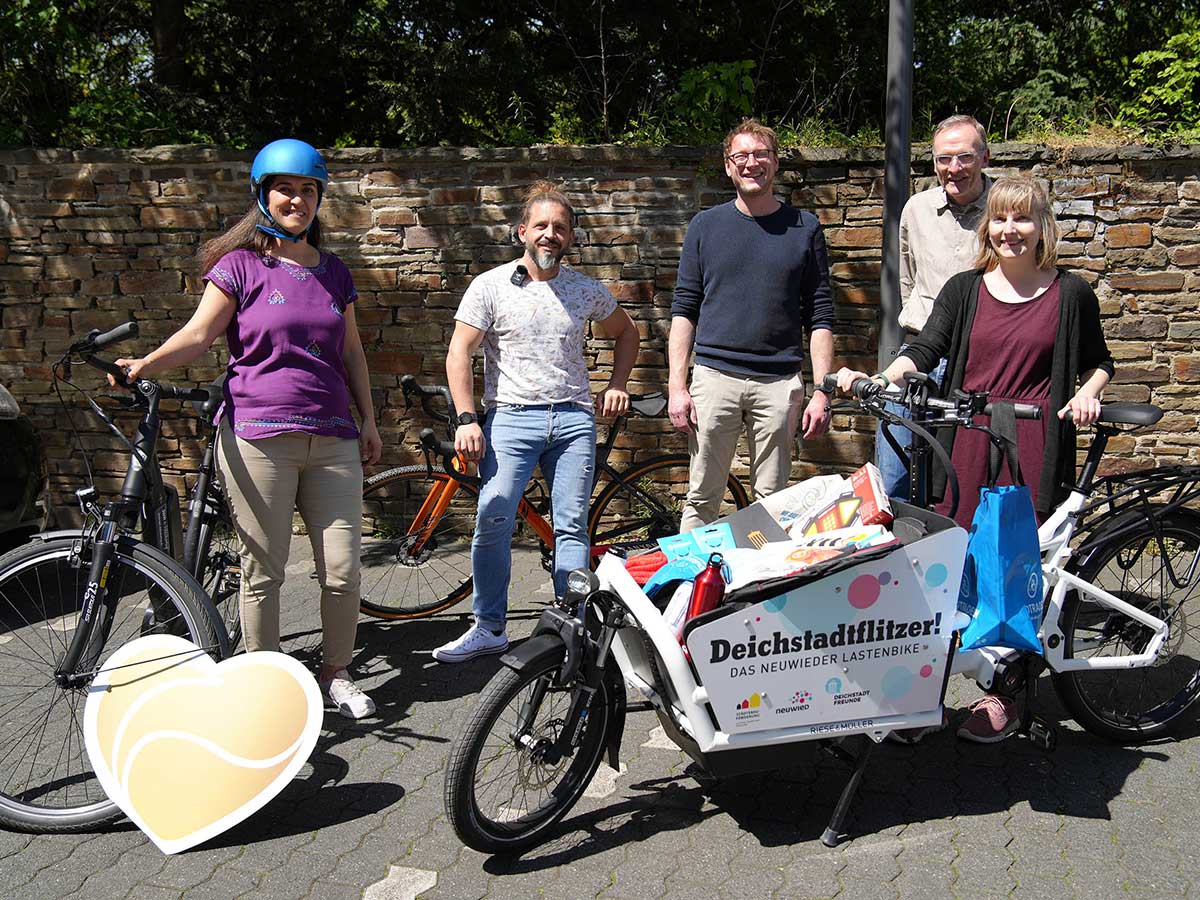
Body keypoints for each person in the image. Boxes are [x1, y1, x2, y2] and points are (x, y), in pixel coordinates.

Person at [836, 173, 1114, 742]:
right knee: (949, 569)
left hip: (1033, 444)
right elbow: (924, 348)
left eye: (1023, 219)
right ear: (990, 226)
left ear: (1043, 227)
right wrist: (880, 379)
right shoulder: (964, 289)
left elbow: (1098, 360)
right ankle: (924, 692)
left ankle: (1011, 697)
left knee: (1014, 568)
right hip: (964, 439)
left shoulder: (1071, 293)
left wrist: (1090, 390)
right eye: (1002, 219)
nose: (1011, 230)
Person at [114, 139, 381, 719]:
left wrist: (370, 420)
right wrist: (143, 364)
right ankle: (264, 686)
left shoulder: (335, 273)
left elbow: (353, 353)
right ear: (263, 195)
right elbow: (198, 335)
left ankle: (336, 672)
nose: (298, 199)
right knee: (265, 570)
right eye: (286, 188)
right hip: (259, 435)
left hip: (333, 436)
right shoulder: (238, 266)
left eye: (309, 190)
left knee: (342, 568)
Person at [432, 181, 639, 664]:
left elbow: (626, 333)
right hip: (510, 420)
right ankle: (489, 627)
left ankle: (571, 626)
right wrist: (467, 418)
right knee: (493, 519)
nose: (550, 234)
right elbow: (458, 352)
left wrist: (617, 383)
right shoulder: (490, 285)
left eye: (560, 227)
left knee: (570, 527)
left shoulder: (585, 289)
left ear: (570, 238)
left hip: (573, 421)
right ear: (521, 231)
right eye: (541, 225)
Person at [669, 118, 835, 533]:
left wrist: (822, 392)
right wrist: (677, 385)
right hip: (714, 378)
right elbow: (684, 309)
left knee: (774, 502)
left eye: (760, 154)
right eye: (741, 155)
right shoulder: (705, 227)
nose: (751, 163)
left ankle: (762, 590)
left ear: (775, 163)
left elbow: (820, 314)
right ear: (728, 166)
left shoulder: (805, 229)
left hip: (778, 384)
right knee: (701, 497)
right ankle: (689, 590)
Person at [877, 114, 992, 500]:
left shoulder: (1006, 212)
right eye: (944, 159)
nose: (953, 169)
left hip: (978, 362)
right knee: (894, 476)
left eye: (964, 157)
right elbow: (908, 279)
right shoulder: (917, 209)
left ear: (985, 158)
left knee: (960, 479)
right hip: (919, 355)